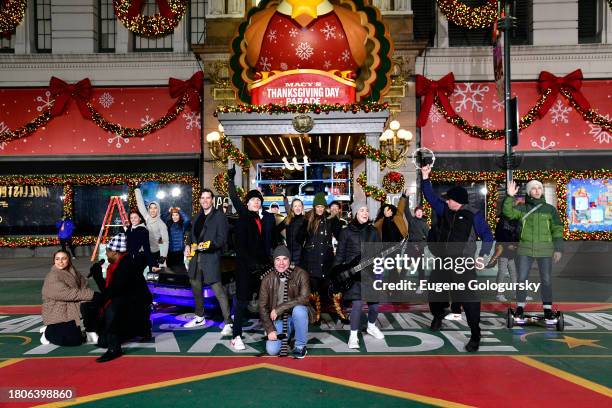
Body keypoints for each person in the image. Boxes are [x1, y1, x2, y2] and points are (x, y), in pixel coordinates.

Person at [421, 164, 493, 352]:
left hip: (463, 263)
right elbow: (430, 197)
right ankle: (438, 316)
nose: (446, 201)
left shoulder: (473, 215)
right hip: (443, 260)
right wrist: (425, 177)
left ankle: (475, 334)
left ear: (458, 201)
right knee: (435, 291)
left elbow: (487, 236)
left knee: (468, 298)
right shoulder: (444, 210)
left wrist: (483, 255)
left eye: (449, 199)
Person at [503, 180, 563, 322]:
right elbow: (508, 213)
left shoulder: (550, 210)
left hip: (545, 251)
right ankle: (520, 308)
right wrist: (509, 196)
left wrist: (559, 249)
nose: (537, 190)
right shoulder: (522, 208)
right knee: (522, 279)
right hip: (525, 249)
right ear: (529, 192)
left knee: (546, 280)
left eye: (539, 188)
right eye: (533, 188)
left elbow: (557, 230)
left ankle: (548, 310)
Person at [87, 233, 153, 363]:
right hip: (133, 303)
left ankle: (114, 349)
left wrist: (98, 277)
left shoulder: (124, 267)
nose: (106, 255)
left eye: (107, 252)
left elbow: (110, 293)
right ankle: (142, 329)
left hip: (135, 306)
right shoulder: (120, 264)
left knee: (112, 307)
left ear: (115, 252)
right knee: (102, 341)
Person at [227, 165, 271, 350]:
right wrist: (231, 181)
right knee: (242, 301)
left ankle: (269, 330)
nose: (256, 202)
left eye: (258, 200)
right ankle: (236, 335)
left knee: (264, 300)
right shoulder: (244, 215)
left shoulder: (261, 220)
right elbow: (235, 199)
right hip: (245, 268)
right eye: (253, 200)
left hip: (260, 268)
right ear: (247, 203)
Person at [334, 201, 385, 349]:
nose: (365, 213)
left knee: (375, 306)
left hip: (370, 274)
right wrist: (336, 274)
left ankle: (371, 326)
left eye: (367, 211)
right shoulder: (346, 232)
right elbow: (340, 255)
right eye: (362, 210)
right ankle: (353, 335)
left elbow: (379, 255)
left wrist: (379, 273)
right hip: (353, 275)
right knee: (357, 304)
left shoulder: (373, 231)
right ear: (355, 213)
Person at [183, 189, 233, 335]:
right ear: (200, 200)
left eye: (208, 198)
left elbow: (222, 240)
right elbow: (192, 236)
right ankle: (199, 317)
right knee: (196, 287)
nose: (205, 200)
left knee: (218, 290)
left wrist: (206, 245)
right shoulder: (197, 216)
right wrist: (188, 245)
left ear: (212, 200)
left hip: (211, 258)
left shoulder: (219, 216)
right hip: (195, 258)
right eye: (202, 198)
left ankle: (228, 322)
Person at [259, 245, 312, 358]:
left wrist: (279, 308)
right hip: (281, 319)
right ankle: (290, 335)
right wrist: (270, 329)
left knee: (299, 310)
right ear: (273, 261)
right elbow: (262, 306)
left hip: (296, 315)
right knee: (272, 350)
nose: (281, 263)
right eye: (277, 259)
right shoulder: (267, 279)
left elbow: (304, 298)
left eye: (284, 259)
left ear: (289, 260)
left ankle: (300, 345)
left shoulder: (301, 274)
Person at [40, 250, 98, 346]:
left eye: (64, 258)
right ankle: (47, 332)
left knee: (92, 303)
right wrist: (91, 295)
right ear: (54, 260)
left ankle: (89, 330)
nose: (60, 262)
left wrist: (88, 297)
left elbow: (84, 286)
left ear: (69, 260)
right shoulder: (52, 276)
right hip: (57, 311)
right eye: (57, 259)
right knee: (72, 340)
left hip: (71, 308)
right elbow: (66, 293)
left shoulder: (73, 271)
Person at [299, 192, 336, 323]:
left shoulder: (329, 220)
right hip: (312, 261)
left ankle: (325, 311)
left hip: (326, 261)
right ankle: (315, 314)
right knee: (313, 290)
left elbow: (340, 236)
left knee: (325, 289)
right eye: (318, 206)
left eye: (322, 206)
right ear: (314, 207)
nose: (320, 209)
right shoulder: (308, 220)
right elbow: (299, 239)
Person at [488, 214, 521, 302]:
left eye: (498, 219)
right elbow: (500, 237)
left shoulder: (511, 223)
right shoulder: (501, 226)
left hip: (511, 253)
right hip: (503, 253)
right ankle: (499, 294)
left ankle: (515, 293)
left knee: (513, 273)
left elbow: (513, 236)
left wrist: (514, 245)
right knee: (502, 272)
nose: (497, 220)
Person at [402, 193, 430, 294]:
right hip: (410, 247)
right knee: (405, 267)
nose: (419, 213)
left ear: (422, 213)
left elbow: (429, 238)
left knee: (420, 269)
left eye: (420, 212)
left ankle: (421, 286)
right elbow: (405, 210)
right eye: (417, 211)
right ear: (415, 212)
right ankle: (399, 286)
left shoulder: (425, 224)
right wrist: (407, 197)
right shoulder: (411, 220)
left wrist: (421, 245)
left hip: (419, 248)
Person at [135, 187, 169, 267]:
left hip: (154, 253)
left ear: (158, 210)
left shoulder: (161, 224)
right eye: (151, 208)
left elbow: (165, 241)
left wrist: (163, 256)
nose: (153, 210)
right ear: (149, 209)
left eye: (155, 208)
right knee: (137, 272)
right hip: (143, 251)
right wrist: (137, 190)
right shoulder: (147, 217)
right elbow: (140, 205)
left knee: (153, 275)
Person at [277, 195, 305, 266]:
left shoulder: (305, 220)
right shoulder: (288, 219)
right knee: (289, 276)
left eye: (299, 206)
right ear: (292, 208)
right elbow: (276, 230)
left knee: (299, 276)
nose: (297, 208)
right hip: (288, 255)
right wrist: (281, 243)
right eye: (295, 206)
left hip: (301, 257)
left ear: (302, 208)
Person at [164, 207, 191, 274]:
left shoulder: (182, 225)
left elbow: (187, 219)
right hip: (170, 252)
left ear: (179, 216)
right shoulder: (169, 224)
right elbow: (162, 219)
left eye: (176, 215)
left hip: (179, 252)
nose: (174, 217)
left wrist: (180, 210)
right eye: (173, 215)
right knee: (169, 271)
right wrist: (168, 211)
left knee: (179, 272)